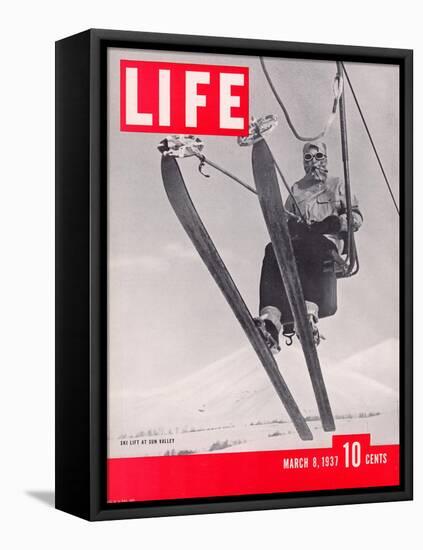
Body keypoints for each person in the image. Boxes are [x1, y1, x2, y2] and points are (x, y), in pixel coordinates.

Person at [256, 141, 363, 352]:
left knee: (313, 244)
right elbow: (282, 220)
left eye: (318, 156)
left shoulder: (337, 184)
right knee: (272, 250)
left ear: (325, 159)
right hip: (299, 244)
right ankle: (270, 321)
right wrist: (290, 227)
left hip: (325, 244)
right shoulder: (296, 189)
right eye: (308, 157)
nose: (314, 161)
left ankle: (307, 314)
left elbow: (356, 218)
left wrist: (334, 222)